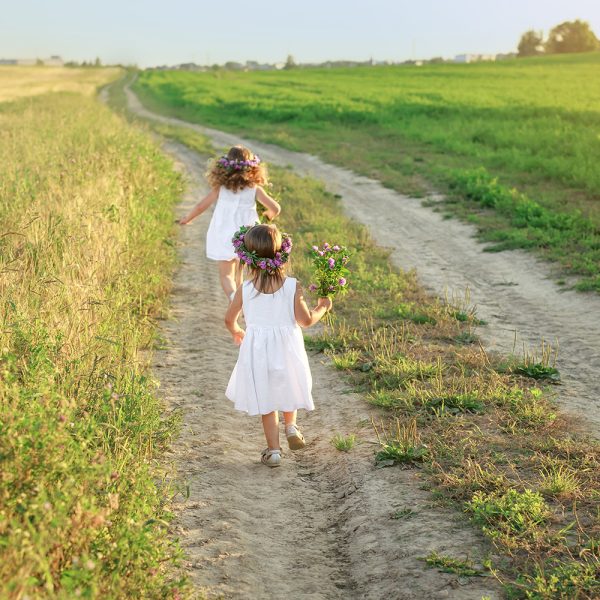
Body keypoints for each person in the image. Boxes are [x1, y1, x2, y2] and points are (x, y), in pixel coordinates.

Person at [224, 224, 332, 467]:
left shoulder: (246, 289)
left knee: (267, 400)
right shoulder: (293, 285)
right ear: (281, 253)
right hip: (286, 348)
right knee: (287, 386)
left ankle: (273, 451)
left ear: (247, 257)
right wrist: (323, 307)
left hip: (258, 351)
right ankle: (291, 427)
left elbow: (229, 318)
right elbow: (305, 321)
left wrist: (236, 330)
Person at [179, 145, 280, 300]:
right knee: (242, 272)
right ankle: (247, 301)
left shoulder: (221, 188)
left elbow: (201, 206)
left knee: (226, 275)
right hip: (248, 236)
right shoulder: (255, 189)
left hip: (223, 234)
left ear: (225, 167)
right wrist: (268, 215)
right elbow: (275, 208)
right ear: (253, 167)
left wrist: (187, 219)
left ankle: (235, 300)